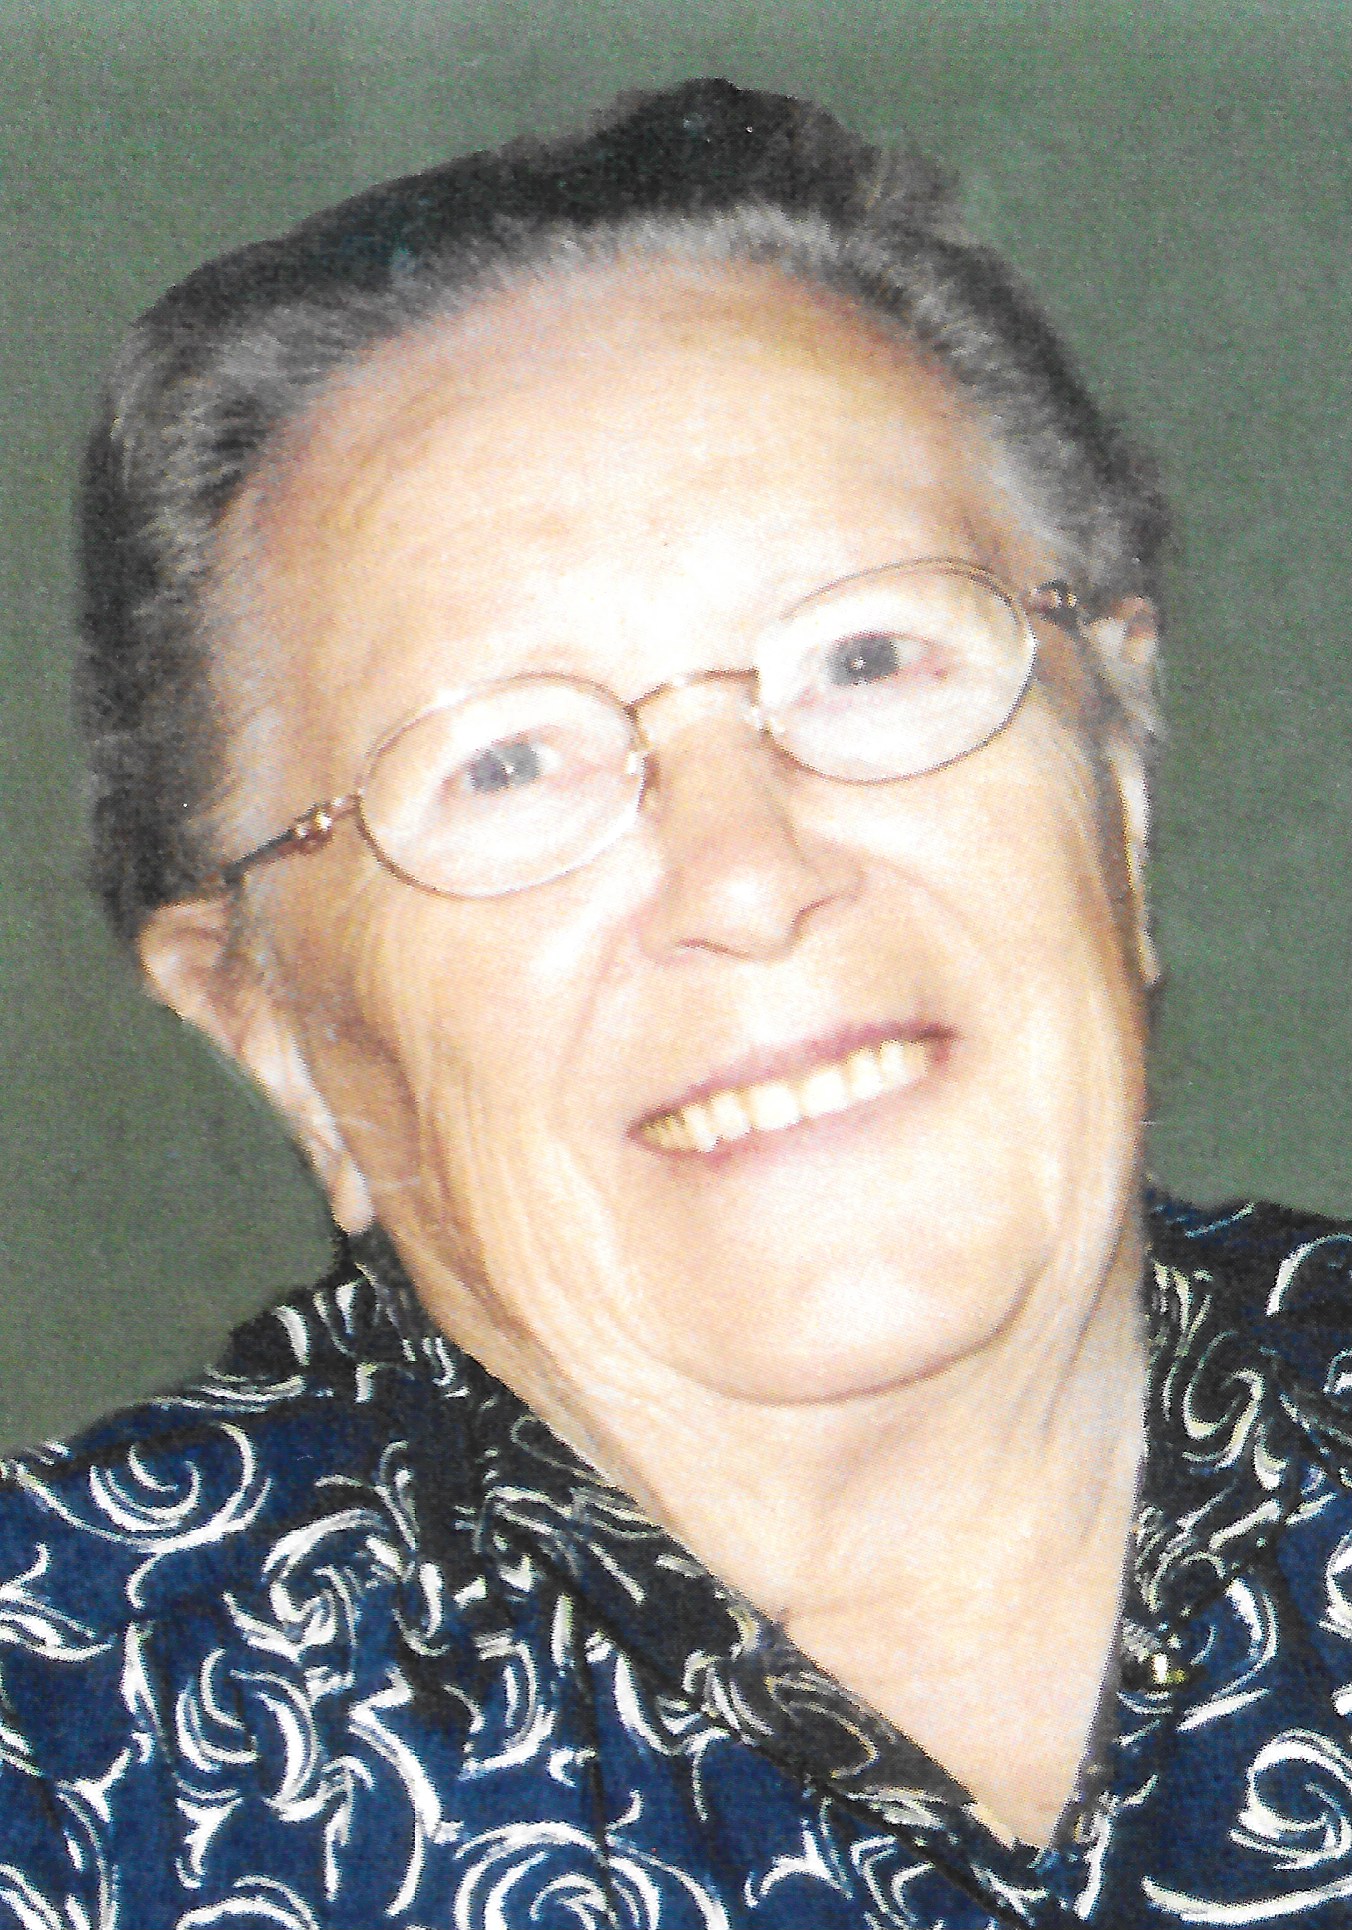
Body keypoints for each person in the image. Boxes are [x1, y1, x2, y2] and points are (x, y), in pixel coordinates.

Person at [4, 75, 1352, 1930]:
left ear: (1113, 775)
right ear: (276, 1030)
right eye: (503, 763)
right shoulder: (67, 1748)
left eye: (866, 656)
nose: (747, 871)